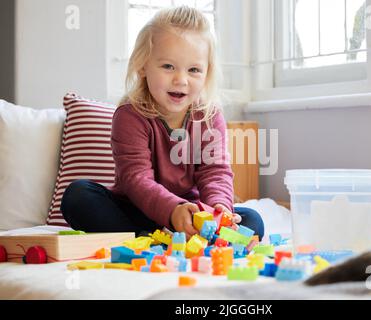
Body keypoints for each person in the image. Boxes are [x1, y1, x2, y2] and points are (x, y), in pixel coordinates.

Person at [61, 6, 264, 240]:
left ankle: (182, 239)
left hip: (191, 213)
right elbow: (136, 179)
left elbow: (215, 172)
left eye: (194, 70)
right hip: (137, 210)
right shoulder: (130, 115)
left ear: (207, 73)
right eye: (168, 66)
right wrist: (172, 211)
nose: (181, 79)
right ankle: (151, 239)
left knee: (252, 220)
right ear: (143, 66)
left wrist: (219, 209)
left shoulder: (208, 116)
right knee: (79, 196)